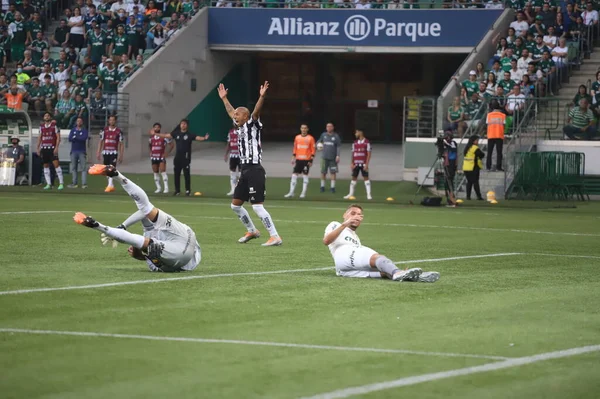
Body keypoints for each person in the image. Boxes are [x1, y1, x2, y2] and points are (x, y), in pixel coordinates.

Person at [74, 164, 201, 273]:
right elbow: (141, 221)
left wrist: (120, 228)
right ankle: (117, 175)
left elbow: (137, 240)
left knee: (146, 223)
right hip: (186, 236)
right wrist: (122, 229)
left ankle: (98, 226)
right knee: (147, 209)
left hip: (182, 253)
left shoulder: (149, 246)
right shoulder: (149, 242)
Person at [218, 81, 283, 246]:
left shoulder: (252, 125)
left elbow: (256, 111)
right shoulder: (239, 128)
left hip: (255, 169)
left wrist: (262, 97)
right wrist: (224, 99)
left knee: (257, 206)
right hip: (244, 170)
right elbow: (230, 111)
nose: (235, 116)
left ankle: (275, 236)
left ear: (245, 116)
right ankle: (252, 230)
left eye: (238, 114)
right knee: (235, 206)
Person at [323, 204, 439, 282]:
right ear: (345, 215)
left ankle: (413, 277)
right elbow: (326, 241)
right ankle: (398, 272)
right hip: (343, 255)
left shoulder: (356, 238)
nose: (356, 216)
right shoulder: (336, 225)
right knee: (377, 258)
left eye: (359, 215)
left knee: (383, 270)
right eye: (353, 213)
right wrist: (345, 224)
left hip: (344, 269)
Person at [151, 119, 209, 196]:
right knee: (176, 175)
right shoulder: (176, 133)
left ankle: (188, 190)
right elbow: (166, 135)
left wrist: (204, 138)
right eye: (182, 124)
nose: (183, 125)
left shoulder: (189, 134)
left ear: (187, 125)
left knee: (186, 174)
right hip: (177, 158)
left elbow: (197, 137)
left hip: (186, 157)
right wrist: (156, 134)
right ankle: (177, 190)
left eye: (184, 124)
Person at [284, 123, 315, 199]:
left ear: (307, 129)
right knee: (294, 175)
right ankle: (291, 192)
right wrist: (293, 157)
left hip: (306, 160)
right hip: (298, 160)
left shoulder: (310, 138)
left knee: (305, 176)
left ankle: (303, 193)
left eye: (305, 128)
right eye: (302, 128)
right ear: (300, 129)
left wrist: (311, 160)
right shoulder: (297, 138)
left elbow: (313, 150)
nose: (303, 129)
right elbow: (295, 148)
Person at [96, 114, 124, 192]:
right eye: (110, 120)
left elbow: (121, 144)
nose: (112, 121)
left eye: (113, 120)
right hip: (106, 152)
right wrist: (98, 152)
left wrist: (121, 155)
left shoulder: (118, 131)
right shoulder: (104, 130)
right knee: (106, 169)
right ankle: (111, 183)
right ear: (108, 121)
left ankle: (110, 185)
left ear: (115, 121)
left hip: (113, 152)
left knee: (111, 167)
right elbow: (101, 141)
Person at [37, 112, 65, 191]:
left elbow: (58, 138)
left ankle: (61, 183)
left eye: (48, 116)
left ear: (50, 117)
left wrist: (56, 147)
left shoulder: (54, 126)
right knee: (45, 166)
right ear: (43, 117)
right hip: (44, 148)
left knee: (56, 165)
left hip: (52, 148)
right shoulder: (41, 127)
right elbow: (39, 137)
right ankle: (48, 184)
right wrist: (38, 148)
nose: (46, 117)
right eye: (45, 116)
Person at [343, 128, 372, 200]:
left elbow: (368, 154)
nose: (355, 134)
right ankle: (350, 194)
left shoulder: (366, 142)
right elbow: (353, 154)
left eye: (356, 132)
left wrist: (367, 164)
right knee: (353, 178)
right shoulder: (355, 143)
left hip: (363, 164)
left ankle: (368, 195)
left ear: (360, 132)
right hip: (356, 164)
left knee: (366, 178)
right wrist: (352, 163)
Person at [148, 122, 174, 194]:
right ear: (153, 128)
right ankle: (158, 188)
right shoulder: (151, 138)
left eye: (158, 127)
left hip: (161, 156)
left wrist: (167, 153)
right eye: (155, 127)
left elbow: (172, 145)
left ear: (160, 128)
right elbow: (150, 145)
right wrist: (150, 152)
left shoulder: (163, 136)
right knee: (155, 172)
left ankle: (166, 188)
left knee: (163, 171)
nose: (156, 128)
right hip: (154, 157)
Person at [317, 122, 341, 193]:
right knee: (323, 172)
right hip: (324, 157)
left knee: (333, 172)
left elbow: (338, 146)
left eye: (330, 126)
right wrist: (318, 145)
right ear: (326, 128)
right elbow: (318, 142)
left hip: (333, 158)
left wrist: (338, 155)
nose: (329, 128)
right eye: (327, 126)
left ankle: (332, 187)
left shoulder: (336, 136)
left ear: (333, 128)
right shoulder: (323, 135)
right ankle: (322, 186)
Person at [462, 135, 485, 201]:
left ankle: (468, 196)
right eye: (477, 140)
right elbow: (481, 154)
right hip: (473, 167)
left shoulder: (467, 147)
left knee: (469, 182)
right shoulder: (474, 147)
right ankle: (479, 196)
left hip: (466, 167)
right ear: (473, 141)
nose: (478, 141)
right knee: (475, 182)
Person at [67, 117, 88, 189]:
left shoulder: (84, 130)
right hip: (74, 151)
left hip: (82, 151)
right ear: (76, 122)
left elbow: (84, 138)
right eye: (77, 121)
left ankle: (84, 184)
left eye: (80, 121)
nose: (79, 122)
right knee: (74, 168)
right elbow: (70, 138)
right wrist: (77, 138)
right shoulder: (73, 130)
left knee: (83, 168)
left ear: (82, 122)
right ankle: (74, 183)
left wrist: (76, 137)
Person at [486, 100, 506, 172]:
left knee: (489, 152)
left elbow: (487, 124)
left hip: (491, 135)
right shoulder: (502, 115)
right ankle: (498, 167)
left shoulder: (489, 115)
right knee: (499, 152)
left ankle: (488, 167)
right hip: (499, 135)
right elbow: (504, 125)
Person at [224, 125, 240, 196]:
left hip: (241, 155)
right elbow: (228, 143)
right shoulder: (230, 132)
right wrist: (226, 154)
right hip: (233, 155)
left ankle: (240, 189)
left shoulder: (243, 131)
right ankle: (233, 189)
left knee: (241, 173)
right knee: (232, 172)